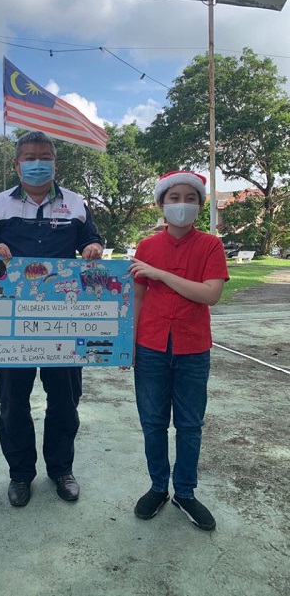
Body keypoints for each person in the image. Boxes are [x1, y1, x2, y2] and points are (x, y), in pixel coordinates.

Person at [0, 130, 103, 507]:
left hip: (65, 321)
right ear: (17, 163)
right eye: (29, 156)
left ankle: (62, 470)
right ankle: (20, 475)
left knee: (65, 401)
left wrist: (93, 248)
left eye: (44, 156)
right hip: (12, 325)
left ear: (54, 161)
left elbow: (91, 244)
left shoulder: (77, 204)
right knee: (13, 402)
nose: (37, 162)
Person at [128, 171, 227, 531]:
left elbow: (211, 294)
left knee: (189, 425)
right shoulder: (147, 246)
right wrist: (130, 344)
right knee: (152, 423)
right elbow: (138, 295)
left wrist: (162, 275)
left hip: (192, 347)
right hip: (151, 345)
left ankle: (185, 491)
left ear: (200, 206)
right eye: (174, 198)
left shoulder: (211, 246)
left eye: (190, 198)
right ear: (161, 204)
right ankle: (158, 487)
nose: (182, 204)